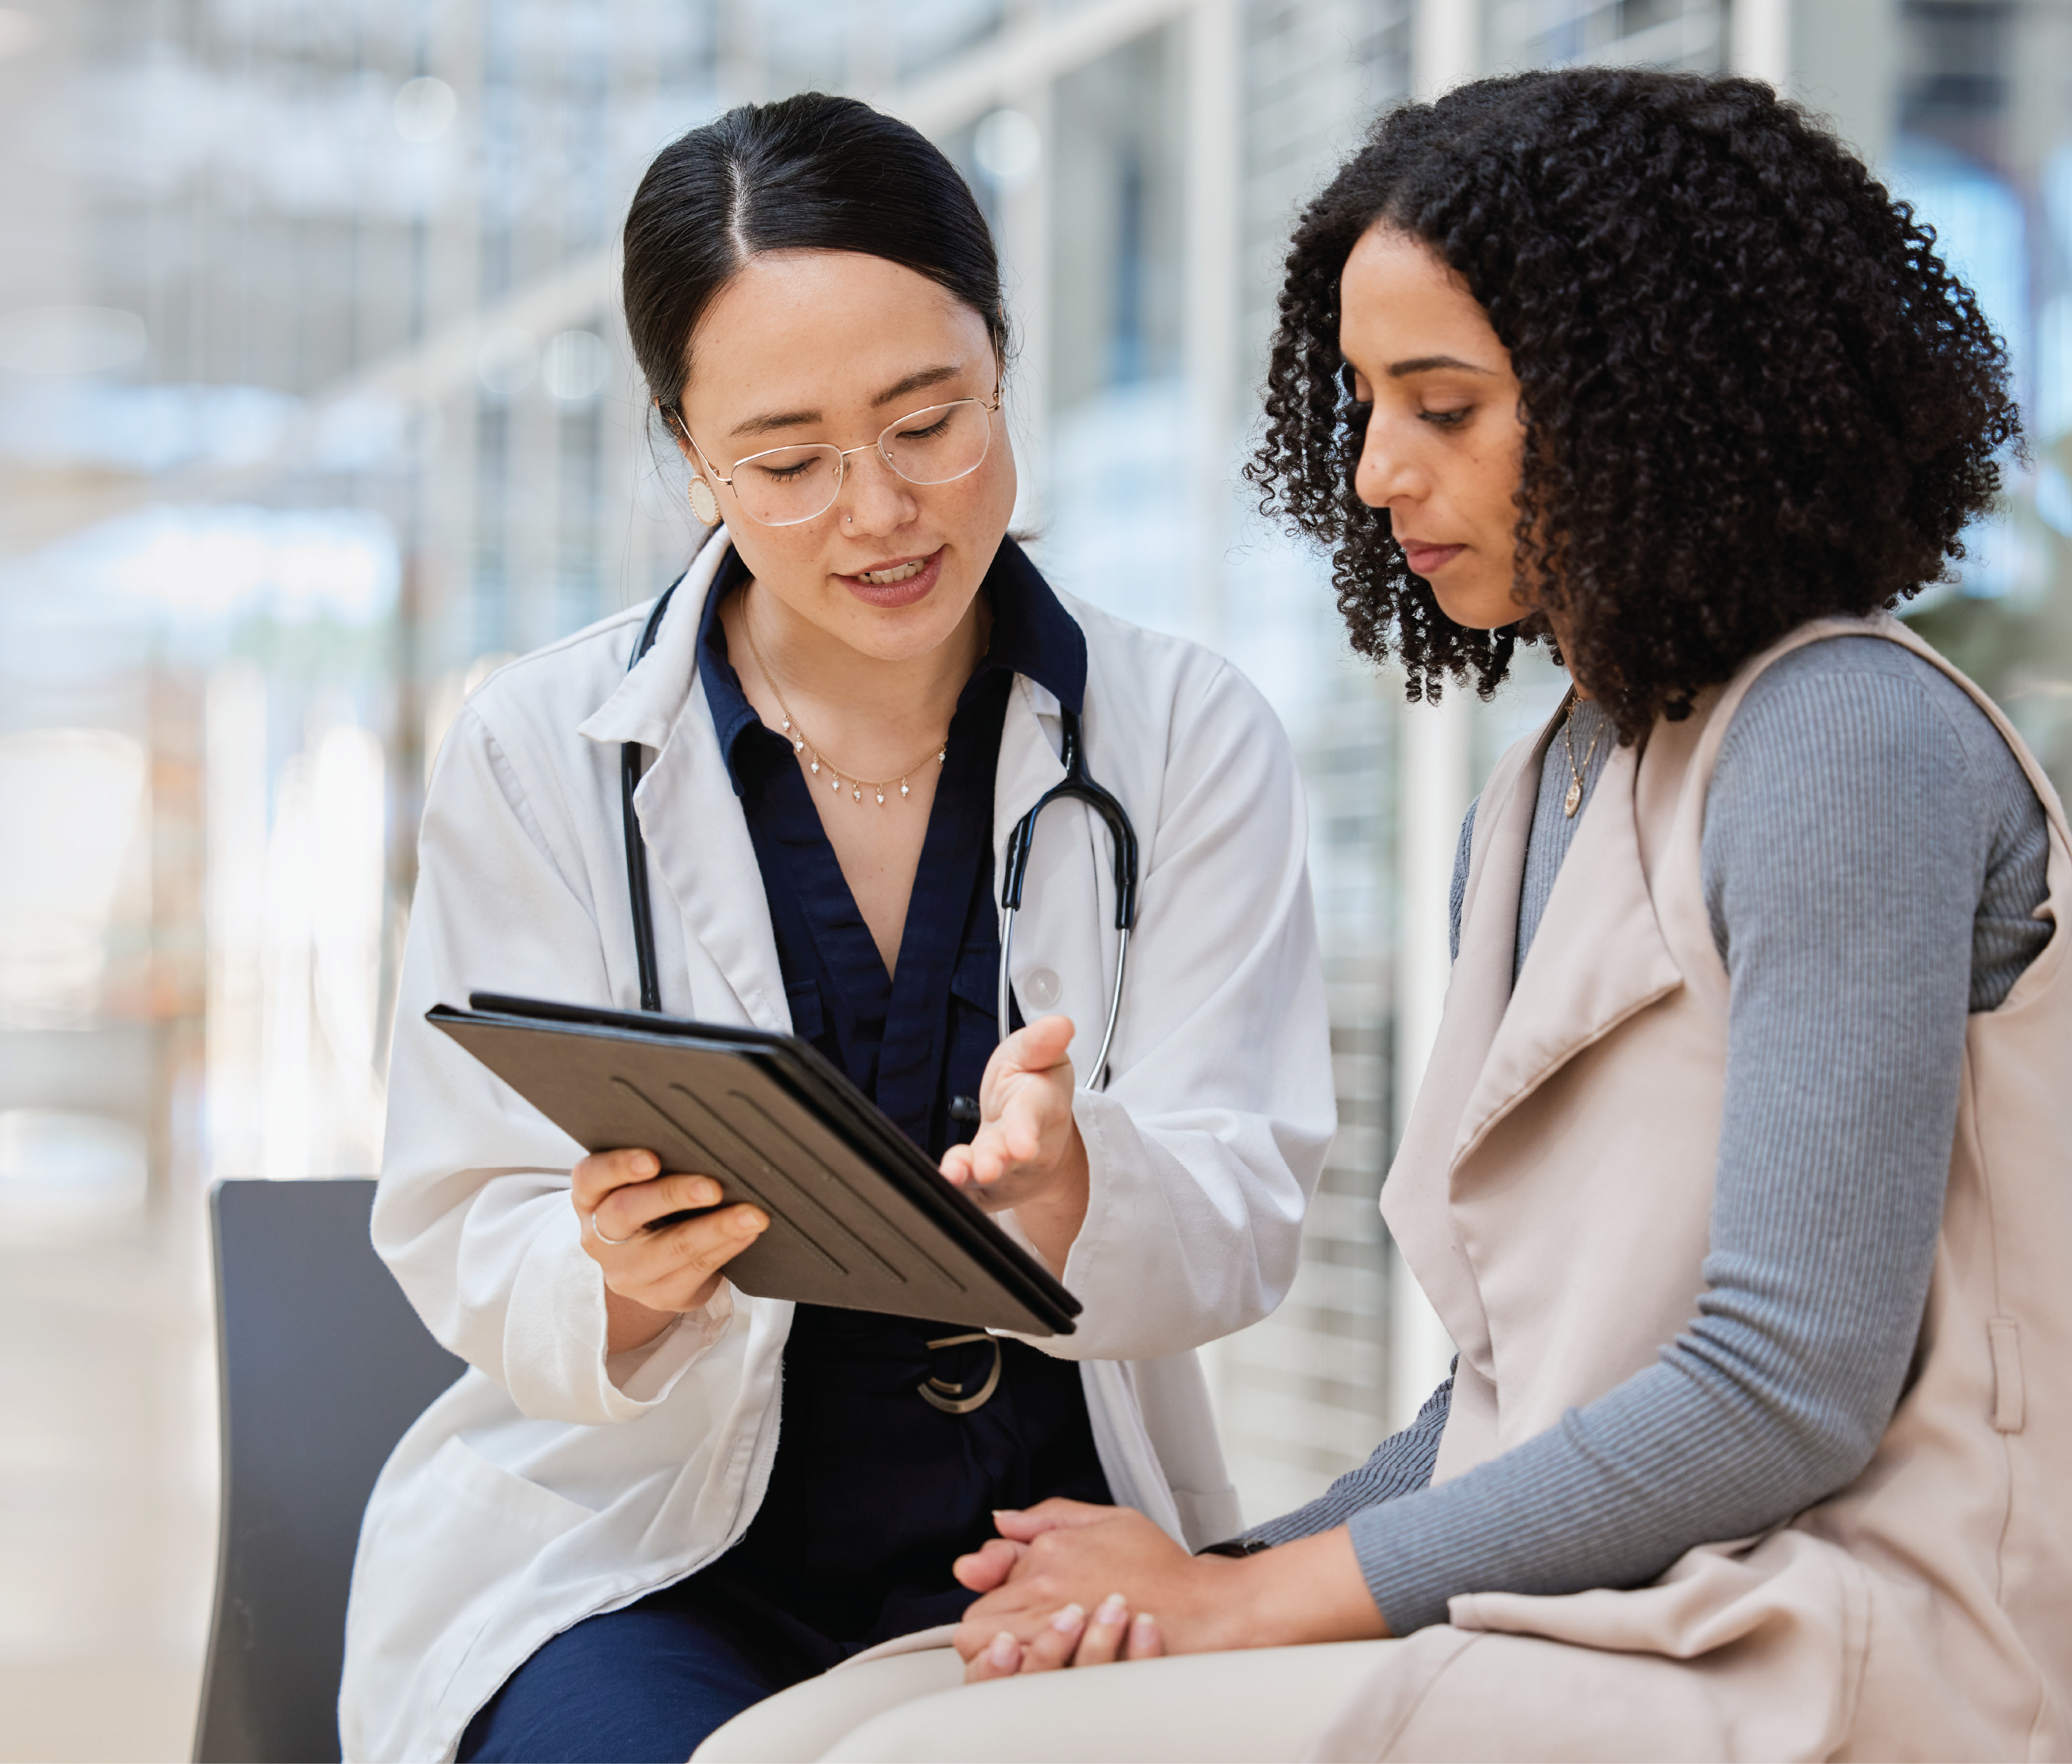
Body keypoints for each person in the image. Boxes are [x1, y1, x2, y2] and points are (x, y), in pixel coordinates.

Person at [691, 66, 2068, 1764]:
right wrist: (1208, 1571)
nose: (1370, 471)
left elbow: (1778, 1386)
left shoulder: (1839, 741)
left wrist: (1252, 1605)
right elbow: (1505, 1398)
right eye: (1357, 402)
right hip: (1616, 1603)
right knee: (812, 1723)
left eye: (1441, 406)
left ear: (1646, 403)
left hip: (1832, 1627)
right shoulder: (1551, 781)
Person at [336, 93, 1336, 1764]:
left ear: (1002, 362)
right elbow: (457, 1210)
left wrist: (1090, 1192)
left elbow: (1246, 1202)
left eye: (928, 420)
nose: (877, 510)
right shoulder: (540, 745)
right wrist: (618, 1282)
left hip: (1050, 1531)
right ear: (687, 454)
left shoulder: (1189, 736)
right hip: (641, 1558)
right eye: (787, 463)